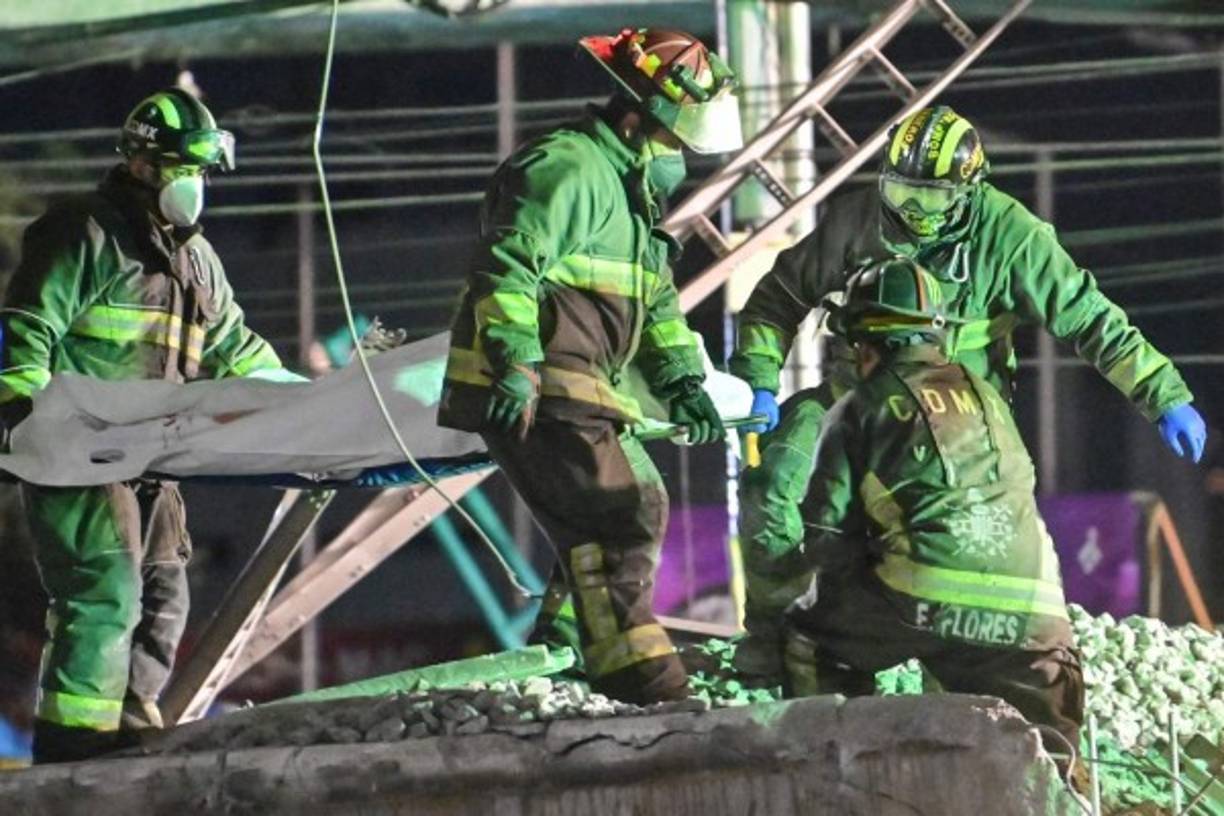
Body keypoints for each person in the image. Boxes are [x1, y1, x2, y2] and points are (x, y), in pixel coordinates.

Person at [728, 105, 1205, 680]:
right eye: (902, 192)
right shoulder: (858, 221)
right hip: (856, 396)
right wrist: (759, 380)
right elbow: (777, 298)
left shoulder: (1011, 237)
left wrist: (1162, 394)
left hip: (959, 419)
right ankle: (775, 635)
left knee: (958, 538)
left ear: (968, 190)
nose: (913, 212)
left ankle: (963, 662)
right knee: (775, 480)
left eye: (931, 198)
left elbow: (1090, 319)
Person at [438, 28, 742, 704]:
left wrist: (683, 382)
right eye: (672, 141)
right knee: (620, 512)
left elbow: (657, 304)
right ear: (634, 120)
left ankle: (568, 649)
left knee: (614, 513)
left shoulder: (630, 198)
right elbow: (507, 265)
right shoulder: (569, 169)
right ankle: (641, 681)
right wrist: (516, 361)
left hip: (580, 385)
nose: (677, 158)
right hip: (540, 382)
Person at [0, 88, 287, 762]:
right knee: (105, 589)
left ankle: (131, 727)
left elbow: (237, 349)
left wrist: (307, 402)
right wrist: (22, 416)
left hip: (153, 460)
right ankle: (73, 743)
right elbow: (24, 331)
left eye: (200, 172)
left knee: (163, 595)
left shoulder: (196, 260)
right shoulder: (83, 233)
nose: (193, 185)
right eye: (182, 169)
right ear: (140, 163)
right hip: (78, 451)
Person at [781, 256, 1084, 755]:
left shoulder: (858, 408)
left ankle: (834, 770)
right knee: (1051, 758)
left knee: (809, 635)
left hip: (924, 601)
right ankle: (1063, 781)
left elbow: (826, 534)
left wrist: (836, 582)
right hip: (1036, 617)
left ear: (864, 344)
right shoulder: (988, 396)